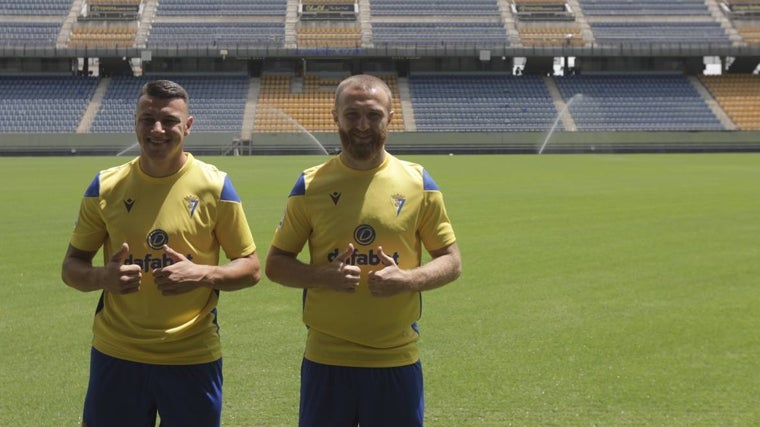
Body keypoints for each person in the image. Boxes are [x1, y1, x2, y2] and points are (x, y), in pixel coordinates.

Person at [61, 79, 261, 427]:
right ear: (135, 122)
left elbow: (251, 268)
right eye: (147, 119)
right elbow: (71, 267)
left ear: (188, 125)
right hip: (117, 354)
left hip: (191, 355)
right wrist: (101, 277)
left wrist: (202, 273)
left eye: (168, 120)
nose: (157, 129)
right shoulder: (105, 187)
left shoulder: (215, 186)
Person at [265, 74, 462, 427]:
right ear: (335, 117)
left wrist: (407, 279)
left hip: (395, 360)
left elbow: (451, 260)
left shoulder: (419, 183)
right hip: (326, 360)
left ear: (391, 117)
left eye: (372, 115)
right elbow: (276, 264)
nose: (362, 125)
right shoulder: (310, 185)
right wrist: (323, 276)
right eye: (351, 114)